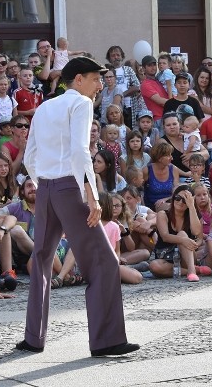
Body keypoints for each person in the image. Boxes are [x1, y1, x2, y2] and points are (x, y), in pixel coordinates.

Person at [18, 55, 138, 356]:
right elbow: (80, 150)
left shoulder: (44, 106)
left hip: (46, 188)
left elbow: (30, 157)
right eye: (95, 78)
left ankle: (34, 338)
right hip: (70, 189)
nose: (100, 85)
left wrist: (46, 181)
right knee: (104, 262)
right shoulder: (81, 103)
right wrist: (92, 196)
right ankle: (107, 340)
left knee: (42, 260)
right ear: (79, 80)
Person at [139, 55, 168, 124]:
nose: (153, 67)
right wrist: (177, 101)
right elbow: (160, 101)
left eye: (154, 65)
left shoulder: (160, 80)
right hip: (159, 119)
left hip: (169, 117)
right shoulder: (145, 84)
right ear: (143, 68)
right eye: (149, 65)